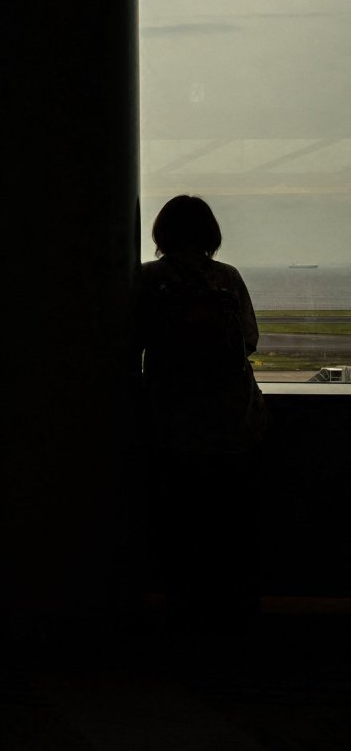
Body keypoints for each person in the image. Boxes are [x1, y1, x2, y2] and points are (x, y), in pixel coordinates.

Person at [134, 194, 268, 635]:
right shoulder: (226, 279)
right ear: (211, 234)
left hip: (172, 421)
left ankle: (181, 617)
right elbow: (249, 340)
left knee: (177, 526)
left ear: (161, 234)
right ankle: (233, 617)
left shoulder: (149, 279)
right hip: (233, 422)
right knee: (230, 529)